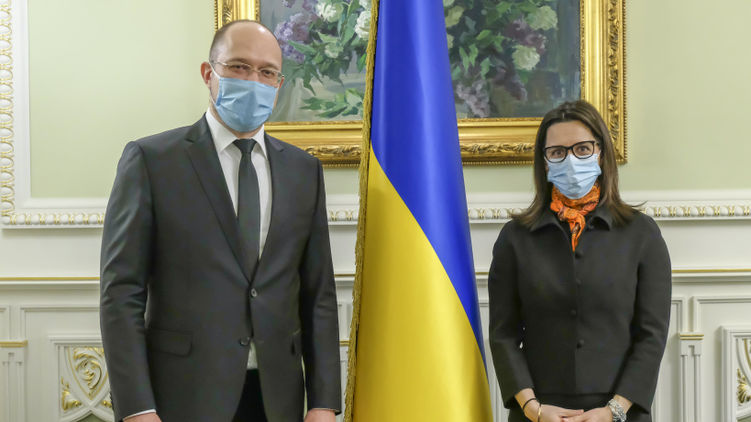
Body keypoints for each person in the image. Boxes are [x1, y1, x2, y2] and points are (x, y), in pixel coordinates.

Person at [100, 20, 340, 422]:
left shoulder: (304, 171)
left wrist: (323, 402)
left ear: (279, 84)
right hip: (183, 396)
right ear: (208, 73)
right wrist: (137, 408)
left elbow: (319, 296)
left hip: (278, 397)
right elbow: (121, 293)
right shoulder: (152, 161)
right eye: (239, 67)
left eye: (267, 72)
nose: (253, 81)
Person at [488, 100, 671, 422]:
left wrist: (614, 410)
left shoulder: (642, 233)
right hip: (538, 411)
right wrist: (533, 408)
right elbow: (503, 335)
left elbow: (651, 335)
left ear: (601, 153)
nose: (571, 160)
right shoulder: (514, 238)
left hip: (620, 412)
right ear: (545, 162)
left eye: (582, 149)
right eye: (557, 152)